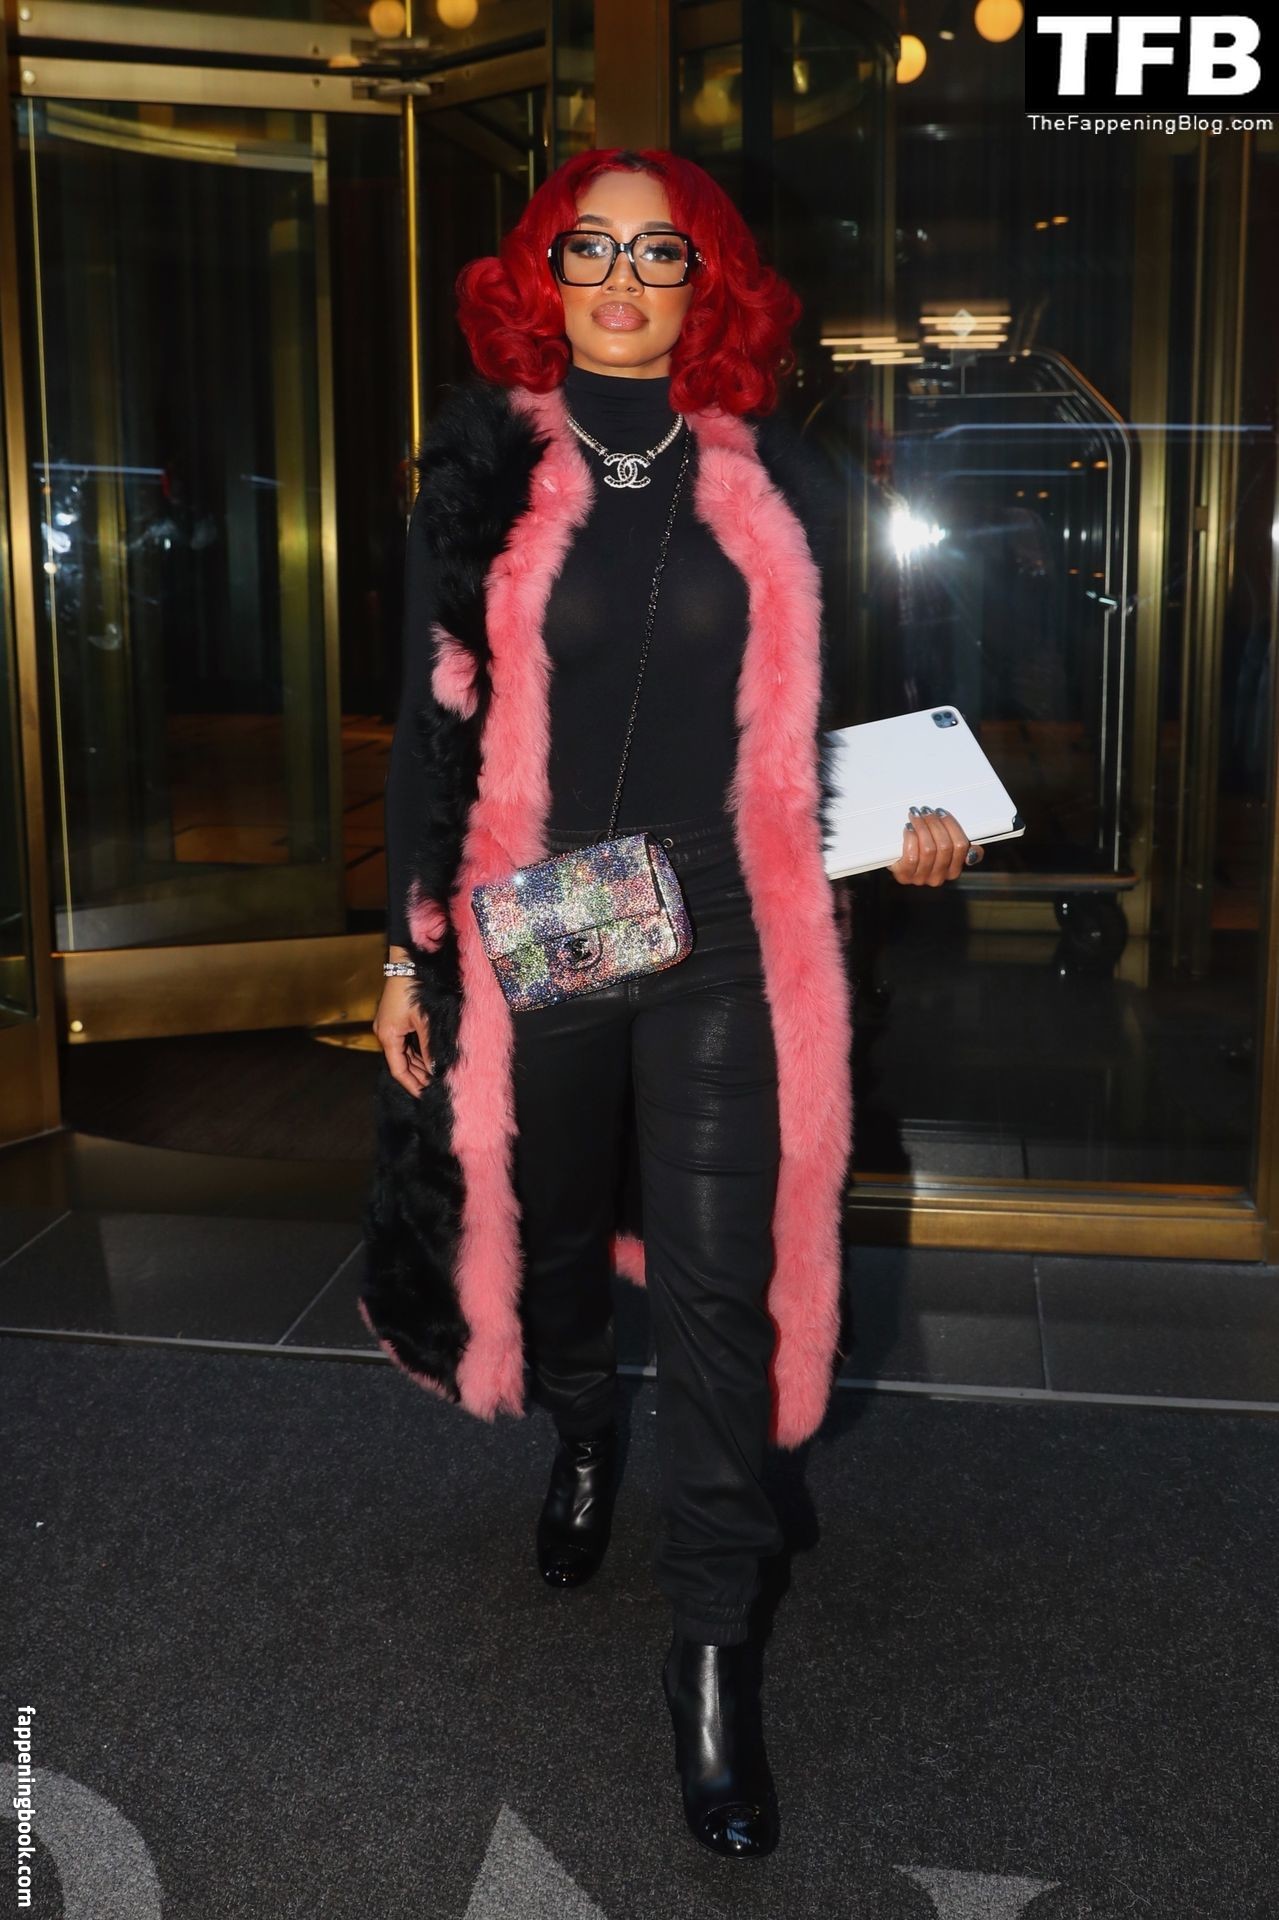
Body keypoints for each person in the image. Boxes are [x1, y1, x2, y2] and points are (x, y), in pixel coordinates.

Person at [363, 145, 984, 1860]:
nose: (624, 279)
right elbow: (428, 727)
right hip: (550, 918)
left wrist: (917, 821)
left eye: (661, 252)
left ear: (709, 280)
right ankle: (582, 1429)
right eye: (591, 249)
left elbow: (862, 700)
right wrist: (407, 951)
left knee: (722, 1292)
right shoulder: (480, 470)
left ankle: (711, 1651)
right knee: (556, 1245)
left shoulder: (778, 475)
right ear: (543, 275)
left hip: (726, 921)